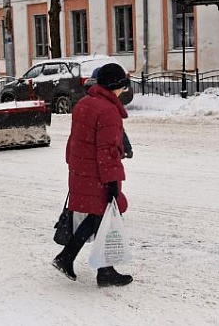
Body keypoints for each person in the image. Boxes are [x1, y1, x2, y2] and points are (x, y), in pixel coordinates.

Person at [52, 62, 134, 288]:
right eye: (123, 86)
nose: (123, 91)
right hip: (98, 174)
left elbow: (74, 140)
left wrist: (74, 166)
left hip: (82, 170)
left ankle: (70, 259)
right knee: (105, 217)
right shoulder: (108, 111)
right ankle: (99, 270)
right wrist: (112, 183)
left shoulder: (84, 103)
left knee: (98, 218)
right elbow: (107, 151)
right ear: (116, 86)